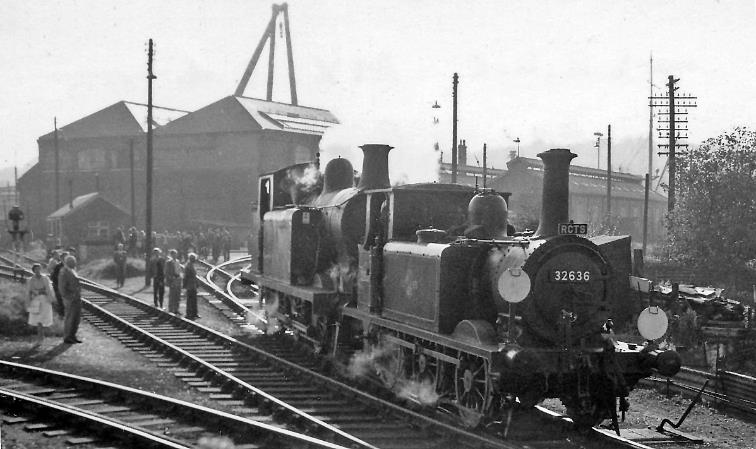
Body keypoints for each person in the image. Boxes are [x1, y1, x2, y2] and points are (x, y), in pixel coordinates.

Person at [26, 263, 55, 342]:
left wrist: (48, 295)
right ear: (33, 270)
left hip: (45, 300)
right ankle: (40, 337)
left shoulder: (45, 278)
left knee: (43, 319)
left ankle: (41, 336)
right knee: (38, 320)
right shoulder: (30, 280)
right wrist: (28, 302)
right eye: (36, 269)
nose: (38, 271)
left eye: (39, 269)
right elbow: (29, 291)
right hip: (35, 301)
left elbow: (49, 289)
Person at [58, 255, 82, 344]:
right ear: (68, 262)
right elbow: (61, 288)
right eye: (73, 261)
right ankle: (67, 337)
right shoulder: (64, 271)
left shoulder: (72, 270)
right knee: (70, 318)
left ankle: (73, 335)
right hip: (70, 299)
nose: (75, 262)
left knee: (76, 318)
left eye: (74, 261)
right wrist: (68, 297)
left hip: (76, 297)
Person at [50, 251, 68, 317]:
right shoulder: (58, 266)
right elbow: (53, 277)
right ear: (61, 258)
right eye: (65, 258)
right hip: (59, 287)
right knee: (61, 302)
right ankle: (62, 316)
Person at [165, 249, 183, 315]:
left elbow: (179, 270)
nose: (175, 255)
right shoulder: (169, 262)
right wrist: (170, 278)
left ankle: (176, 309)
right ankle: (171, 309)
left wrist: (180, 277)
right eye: (173, 254)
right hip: (173, 280)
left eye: (176, 254)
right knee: (172, 295)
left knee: (178, 295)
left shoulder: (178, 261)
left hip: (178, 279)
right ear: (171, 255)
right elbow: (167, 272)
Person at [184, 253, 200, 319]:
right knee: (190, 299)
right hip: (190, 284)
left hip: (192, 284)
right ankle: (189, 313)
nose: (195, 260)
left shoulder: (191, 265)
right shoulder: (188, 266)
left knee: (194, 299)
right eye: (194, 259)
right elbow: (187, 276)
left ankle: (194, 313)